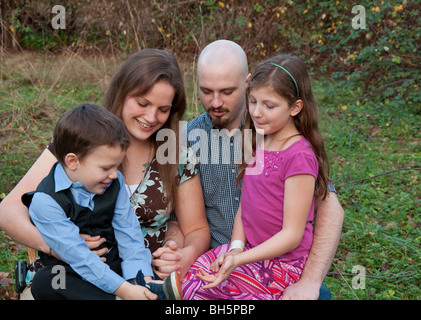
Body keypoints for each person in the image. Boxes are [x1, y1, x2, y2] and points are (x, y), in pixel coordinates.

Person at [0, 49, 210, 292]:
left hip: (140, 277)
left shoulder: (176, 155)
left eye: (163, 109)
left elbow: (196, 228)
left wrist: (186, 253)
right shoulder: (81, 141)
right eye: (142, 103)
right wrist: (55, 246)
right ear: (122, 93)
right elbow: (8, 210)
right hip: (69, 277)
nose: (151, 117)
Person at [154, 40, 344, 300]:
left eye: (227, 91)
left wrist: (310, 280)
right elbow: (177, 218)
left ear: (247, 82)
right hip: (220, 257)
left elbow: (328, 207)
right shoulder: (186, 140)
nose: (216, 102)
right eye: (206, 91)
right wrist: (178, 248)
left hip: (277, 263)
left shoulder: (274, 132)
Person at [24, 104, 182, 300]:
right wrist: (124, 291)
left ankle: (145, 290)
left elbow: (128, 233)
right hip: (75, 273)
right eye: (106, 167)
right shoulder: (45, 201)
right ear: (73, 161)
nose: (114, 174)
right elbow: (79, 257)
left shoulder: (113, 182)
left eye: (117, 166)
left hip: (111, 265)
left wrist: (141, 280)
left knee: (138, 269)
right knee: (48, 280)